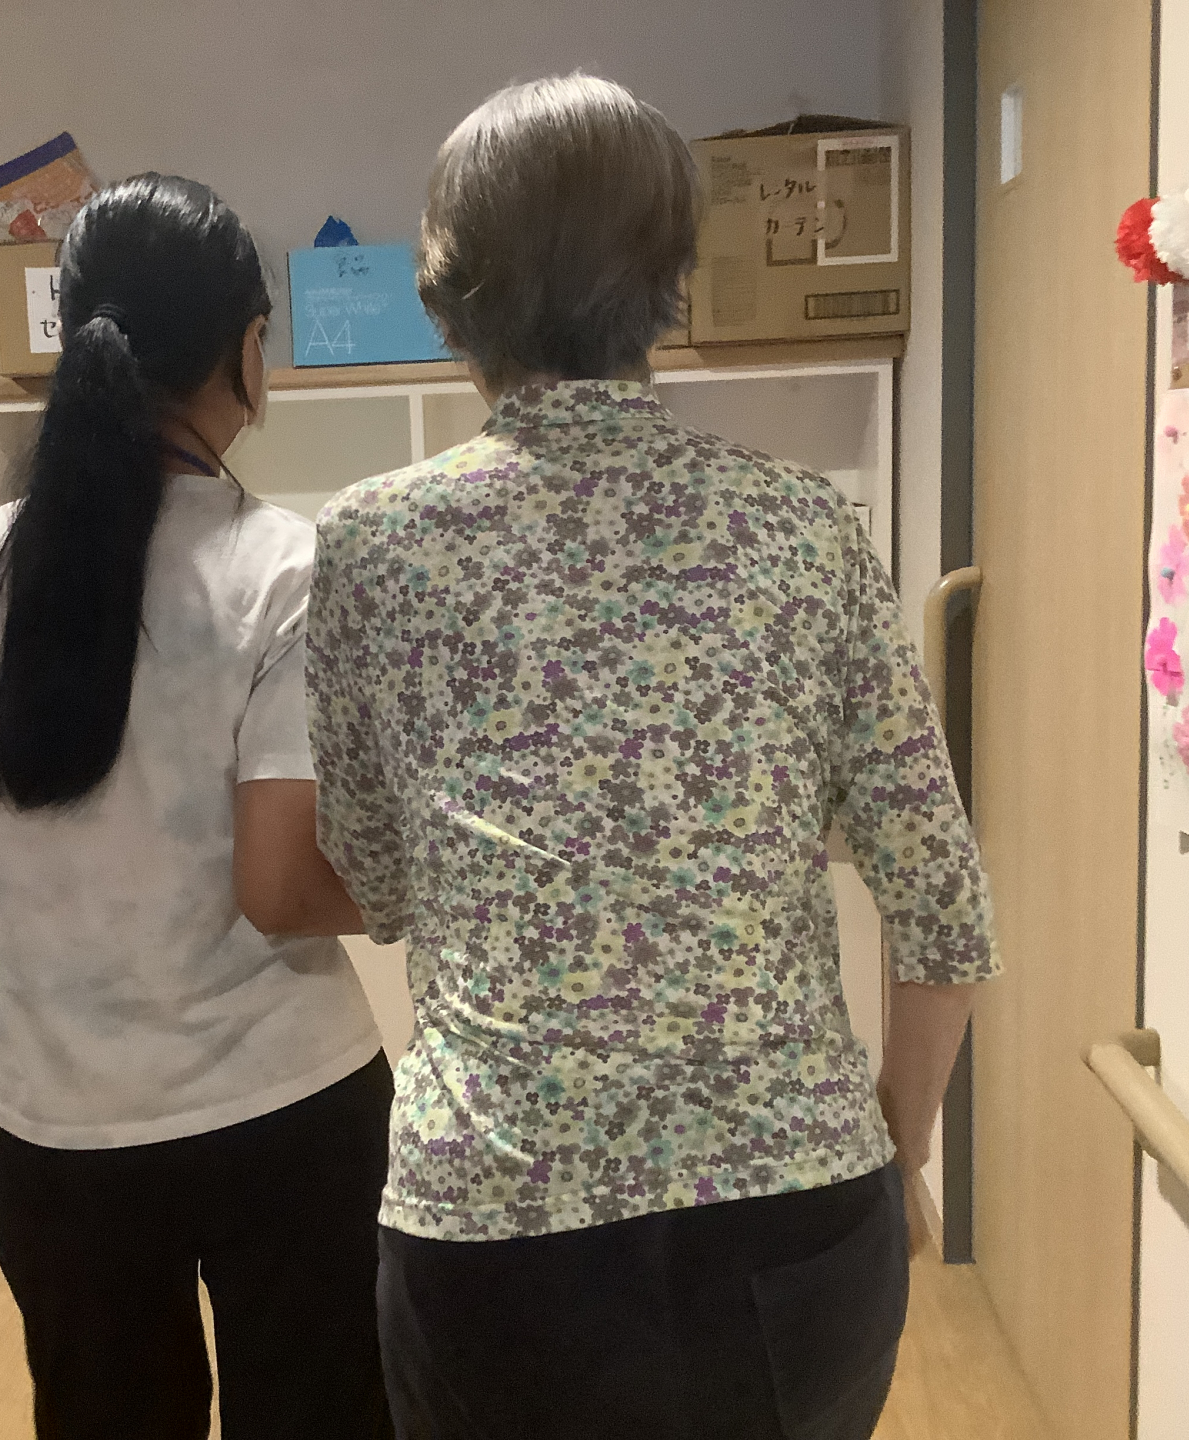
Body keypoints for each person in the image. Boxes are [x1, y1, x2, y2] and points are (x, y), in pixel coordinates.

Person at [306, 78, 1000, 1439]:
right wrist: (894, 1144)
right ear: (672, 280)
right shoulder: (801, 528)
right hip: (795, 1219)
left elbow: (377, 879)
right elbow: (946, 908)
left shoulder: (374, 544)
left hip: (494, 1231)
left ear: (447, 297)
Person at [0, 173, 392, 1440]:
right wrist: (421, 887)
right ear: (245, 352)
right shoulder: (281, 565)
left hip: (55, 1123)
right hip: (281, 1108)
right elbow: (281, 889)